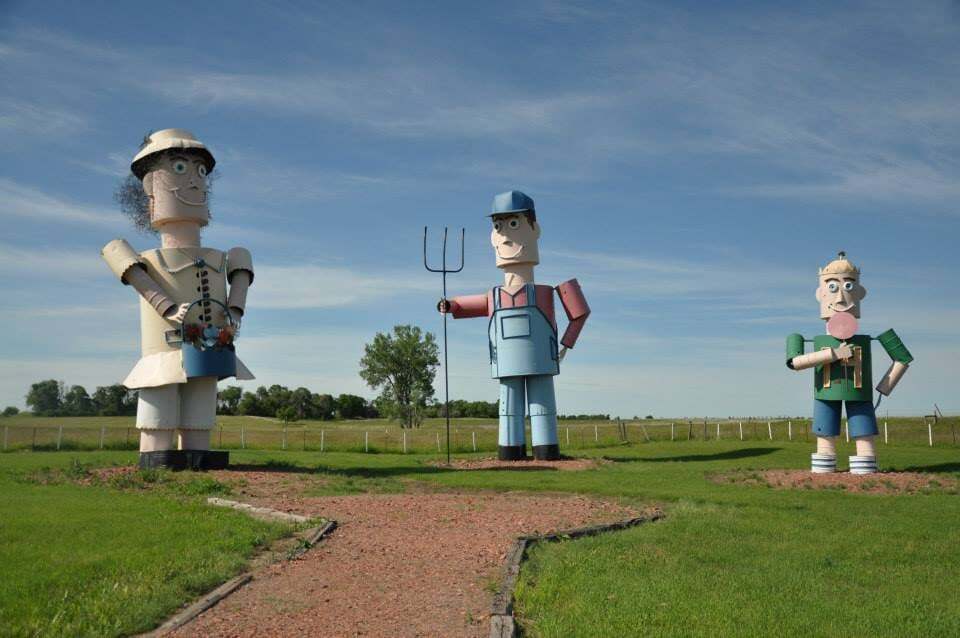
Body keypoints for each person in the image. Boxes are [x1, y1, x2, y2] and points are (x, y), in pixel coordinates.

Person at [101, 129, 254, 469]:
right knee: (160, 401)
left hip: (210, 347)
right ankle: (156, 456)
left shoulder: (222, 256)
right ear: (150, 185)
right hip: (163, 351)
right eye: (181, 169)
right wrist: (168, 308)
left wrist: (234, 310)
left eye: (201, 172)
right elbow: (131, 271)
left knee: (200, 406)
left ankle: (198, 454)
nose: (196, 182)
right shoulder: (145, 257)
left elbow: (239, 278)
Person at [440, 191, 590, 460]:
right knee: (508, 405)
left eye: (513, 224)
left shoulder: (545, 292)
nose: (505, 235)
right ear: (491, 237)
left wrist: (566, 345)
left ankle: (546, 448)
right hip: (507, 359)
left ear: (535, 230)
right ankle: (511, 449)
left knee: (542, 403)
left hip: (540, 357)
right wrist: (450, 305)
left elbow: (579, 313)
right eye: (498, 226)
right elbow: (468, 305)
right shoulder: (494, 295)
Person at [786, 252, 912, 474]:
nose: (841, 298)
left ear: (860, 293)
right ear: (821, 294)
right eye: (833, 287)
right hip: (825, 392)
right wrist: (833, 353)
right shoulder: (815, 340)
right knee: (825, 432)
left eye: (849, 287)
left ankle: (865, 465)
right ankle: (825, 464)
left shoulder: (866, 339)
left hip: (859, 391)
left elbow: (902, 358)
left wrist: (885, 386)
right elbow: (794, 363)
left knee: (863, 431)